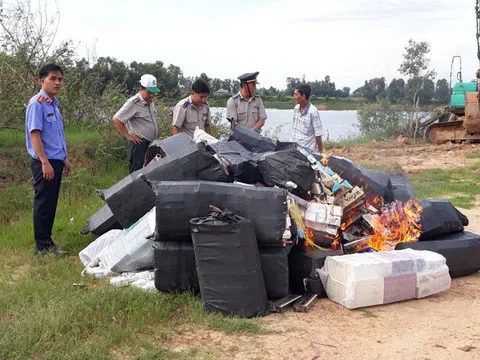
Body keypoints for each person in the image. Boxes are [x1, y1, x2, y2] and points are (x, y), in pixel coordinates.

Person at [25, 63, 72, 256]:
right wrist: (44, 161)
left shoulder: (53, 105)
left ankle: (47, 241)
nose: (57, 83)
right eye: (53, 78)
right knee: (44, 202)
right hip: (45, 163)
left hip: (56, 161)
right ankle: (42, 246)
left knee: (50, 203)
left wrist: (65, 158)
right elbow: (35, 134)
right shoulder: (37, 104)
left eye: (60, 79)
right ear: (41, 80)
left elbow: (56, 135)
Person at [113, 74, 160, 173]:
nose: (152, 95)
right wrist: (128, 136)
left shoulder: (150, 102)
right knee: (137, 174)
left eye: (153, 93)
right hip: (139, 145)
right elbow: (117, 119)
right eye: (149, 92)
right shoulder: (133, 103)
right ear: (141, 89)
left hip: (150, 144)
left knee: (149, 173)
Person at [291, 83, 323, 153]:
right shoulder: (296, 108)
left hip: (307, 151)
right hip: (294, 148)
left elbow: (318, 134)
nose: (294, 97)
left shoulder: (313, 112)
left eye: (296, 94)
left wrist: (321, 153)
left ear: (303, 96)